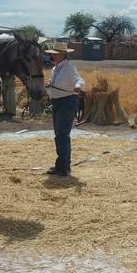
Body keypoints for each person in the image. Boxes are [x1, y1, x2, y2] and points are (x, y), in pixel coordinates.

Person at [45, 41, 85, 176]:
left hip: (67, 102)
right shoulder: (56, 68)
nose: (53, 56)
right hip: (58, 102)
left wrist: (78, 86)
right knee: (60, 135)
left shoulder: (68, 68)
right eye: (52, 54)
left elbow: (79, 80)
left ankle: (63, 167)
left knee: (62, 135)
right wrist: (50, 85)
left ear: (63, 55)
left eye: (55, 54)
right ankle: (61, 165)